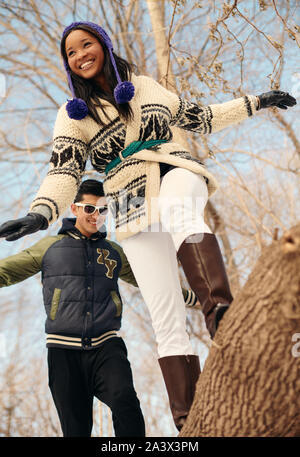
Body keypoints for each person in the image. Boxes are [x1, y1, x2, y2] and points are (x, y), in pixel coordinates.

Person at [0, 21, 296, 431]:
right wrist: (41, 213)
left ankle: (221, 312)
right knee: (163, 311)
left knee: (179, 210)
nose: (81, 54)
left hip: (171, 166)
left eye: (87, 45)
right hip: (127, 198)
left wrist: (256, 101)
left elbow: (201, 118)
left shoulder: (144, 87)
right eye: (71, 52)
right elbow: (64, 170)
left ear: (102, 45)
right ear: (67, 64)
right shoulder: (73, 116)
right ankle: (189, 423)